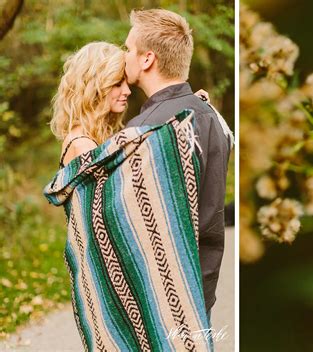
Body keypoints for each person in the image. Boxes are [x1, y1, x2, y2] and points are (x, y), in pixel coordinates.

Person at [46, 41, 216, 351]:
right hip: (111, 279)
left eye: (125, 81)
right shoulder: (81, 145)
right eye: (116, 83)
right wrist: (178, 122)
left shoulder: (95, 140)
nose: (126, 90)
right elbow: (125, 199)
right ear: (94, 87)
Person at [123, 8, 232, 322]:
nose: (125, 56)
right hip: (203, 284)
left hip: (163, 299)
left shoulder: (146, 129)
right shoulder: (212, 116)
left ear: (147, 59)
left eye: (128, 48)